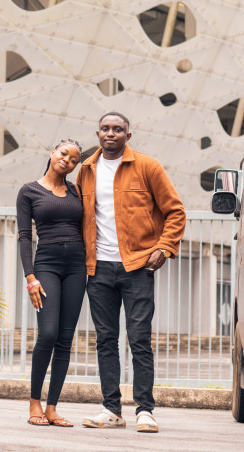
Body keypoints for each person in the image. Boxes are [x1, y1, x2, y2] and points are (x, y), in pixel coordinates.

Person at [76, 112, 186, 433]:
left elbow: (175, 211)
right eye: (106, 129)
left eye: (118, 129)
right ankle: (111, 409)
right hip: (98, 269)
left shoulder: (147, 166)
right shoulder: (86, 169)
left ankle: (144, 410)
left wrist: (164, 248)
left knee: (139, 339)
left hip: (137, 266)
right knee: (106, 340)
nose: (111, 133)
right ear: (98, 134)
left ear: (128, 134)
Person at [17, 139, 86, 427]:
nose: (67, 161)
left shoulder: (77, 191)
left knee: (65, 339)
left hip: (77, 267)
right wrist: (30, 277)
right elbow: (24, 236)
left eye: (74, 160)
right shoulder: (29, 191)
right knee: (47, 333)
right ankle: (34, 402)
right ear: (52, 153)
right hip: (46, 265)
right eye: (64, 154)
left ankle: (52, 407)